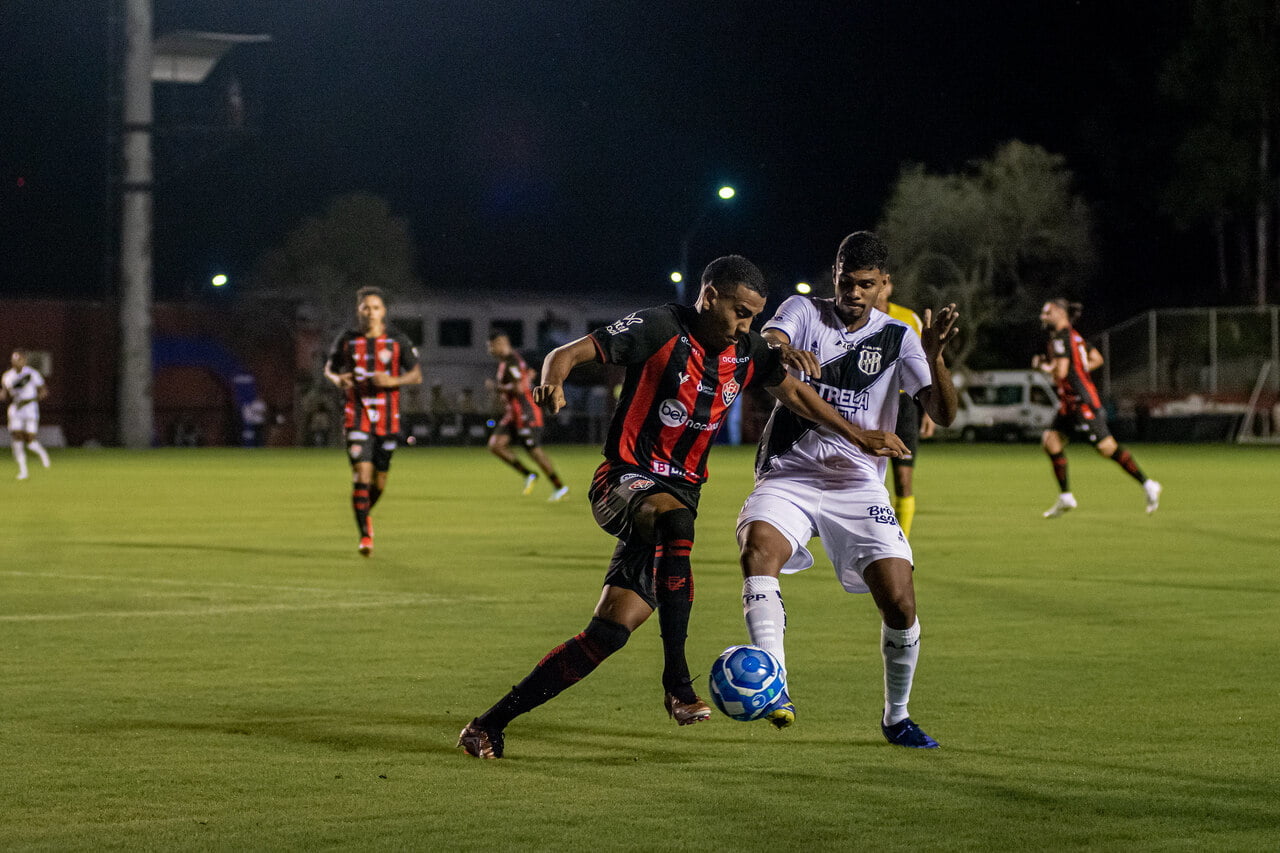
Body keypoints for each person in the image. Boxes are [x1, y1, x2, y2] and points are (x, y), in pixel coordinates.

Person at [458, 255, 909, 759]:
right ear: (710, 295)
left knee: (608, 631)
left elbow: (798, 396)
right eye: (740, 311)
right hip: (622, 481)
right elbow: (568, 352)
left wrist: (859, 434)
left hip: (676, 499)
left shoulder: (747, 350)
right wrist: (553, 379)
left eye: (756, 316)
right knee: (676, 520)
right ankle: (677, 682)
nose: (748, 325)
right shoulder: (660, 327)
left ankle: (487, 726)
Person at [736, 231, 959, 748]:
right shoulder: (804, 312)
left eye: (865, 285)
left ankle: (896, 716)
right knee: (758, 551)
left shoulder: (900, 337)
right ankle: (776, 686)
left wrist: (936, 354)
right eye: (844, 282)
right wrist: (784, 348)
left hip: (858, 484)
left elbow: (943, 415)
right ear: (833, 277)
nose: (853, 293)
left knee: (901, 603)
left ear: (885, 285)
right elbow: (771, 337)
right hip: (789, 474)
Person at [1034, 298, 1161, 518]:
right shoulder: (1074, 336)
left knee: (1107, 448)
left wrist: (1043, 367)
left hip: (1080, 402)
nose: (1043, 317)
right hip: (1069, 403)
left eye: (1047, 313)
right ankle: (1066, 497)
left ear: (1059, 313)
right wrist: (1079, 371)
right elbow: (1096, 359)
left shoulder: (1061, 338)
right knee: (1051, 441)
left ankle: (1148, 484)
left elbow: (1061, 372)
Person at [324, 286, 423, 556]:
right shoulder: (346, 339)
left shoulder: (397, 340)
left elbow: (415, 375)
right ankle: (365, 535)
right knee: (361, 476)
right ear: (359, 310)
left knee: (379, 483)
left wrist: (394, 380)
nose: (370, 312)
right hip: (356, 415)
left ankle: (364, 513)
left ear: (383, 312)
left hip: (388, 419)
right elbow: (330, 369)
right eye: (366, 307)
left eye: (376, 307)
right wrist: (338, 379)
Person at [874, 276, 936, 538]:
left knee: (904, 480)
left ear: (889, 285)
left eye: (882, 283)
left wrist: (930, 409)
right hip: (869, 403)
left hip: (902, 404)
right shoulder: (856, 320)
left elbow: (926, 362)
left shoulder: (908, 318)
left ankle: (902, 545)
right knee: (867, 480)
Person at [485, 332, 569, 501]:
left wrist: (496, 387)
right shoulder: (509, 362)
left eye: (491, 345)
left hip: (526, 414)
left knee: (534, 452)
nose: (489, 350)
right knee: (496, 445)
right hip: (512, 415)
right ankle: (529, 475)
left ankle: (560, 487)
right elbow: (528, 374)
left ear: (501, 343)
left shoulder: (511, 361)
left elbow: (518, 389)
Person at [2, 349, 52, 480]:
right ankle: (23, 471)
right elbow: (5, 393)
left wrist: (31, 400)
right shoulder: (7, 376)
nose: (15, 362)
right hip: (16, 409)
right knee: (17, 438)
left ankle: (42, 453)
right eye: (13, 360)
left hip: (30, 409)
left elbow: (44, 392)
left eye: (18, 359)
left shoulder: (32, 374)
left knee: (30, 441)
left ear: (24, 360)